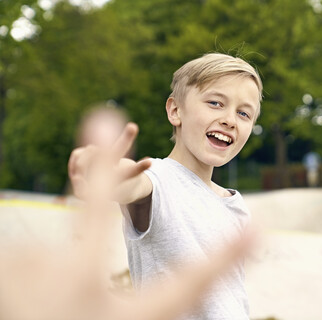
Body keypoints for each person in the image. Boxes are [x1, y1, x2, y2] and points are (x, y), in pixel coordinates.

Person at [68, 53, 263, 319]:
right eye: (216, 103)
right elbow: (133, 185)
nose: (230, 119)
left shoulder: (235, 206)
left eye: (243, 113)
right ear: (175, 110)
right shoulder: (156, 180)